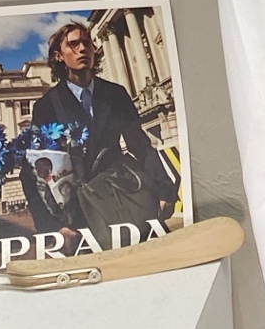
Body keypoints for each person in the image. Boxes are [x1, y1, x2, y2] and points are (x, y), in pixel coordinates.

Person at [30, 22, 176, 240]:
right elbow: (35, 170)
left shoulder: (116, 94)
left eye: (86, 43)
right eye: (73, 44)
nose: (82, 49)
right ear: (58, 56)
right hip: (80, 213)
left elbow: (140, 145)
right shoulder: (46, 106)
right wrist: (52, 227)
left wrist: (166, 191)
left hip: (126, 194)